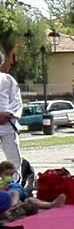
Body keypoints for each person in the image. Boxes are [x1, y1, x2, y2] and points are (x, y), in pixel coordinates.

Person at [0, 161, 65, 219]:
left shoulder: (13, 184)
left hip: (18, 203)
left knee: (30, 200)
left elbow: (19, 192)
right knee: (8, 208)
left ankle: (50, 204)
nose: (9, 177)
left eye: (11, 175)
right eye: (6, 174)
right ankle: (14, 210)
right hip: (6, 206)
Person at [0, 46, 23, 183]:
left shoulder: (8, 80)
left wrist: (7, 114)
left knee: (14, 159)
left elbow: (16, 101)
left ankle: (14, 186)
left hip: (7, 125)